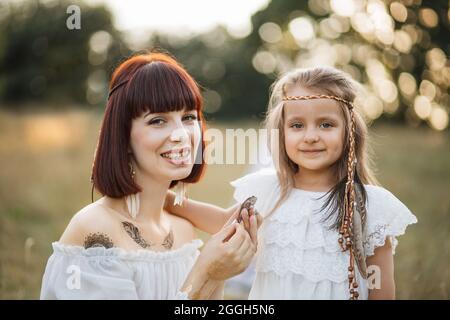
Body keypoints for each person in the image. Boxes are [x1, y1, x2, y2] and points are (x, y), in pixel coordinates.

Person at [165, 66, 418, 299]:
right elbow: (223, 222)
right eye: (297, 125)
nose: (310, 136)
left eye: (326, 124)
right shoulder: (268, 191)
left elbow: (380, 288)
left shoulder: (370, 205)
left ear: (349, 131)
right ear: (281, 131)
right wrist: (164, 200)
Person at [40, 52, 259, 300]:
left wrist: (217, 274)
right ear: (123, 137)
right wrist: (206, 272)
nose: (181, 135)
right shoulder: (97, 234)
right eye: (157, 121)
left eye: (188, 117)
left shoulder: (183, 229)